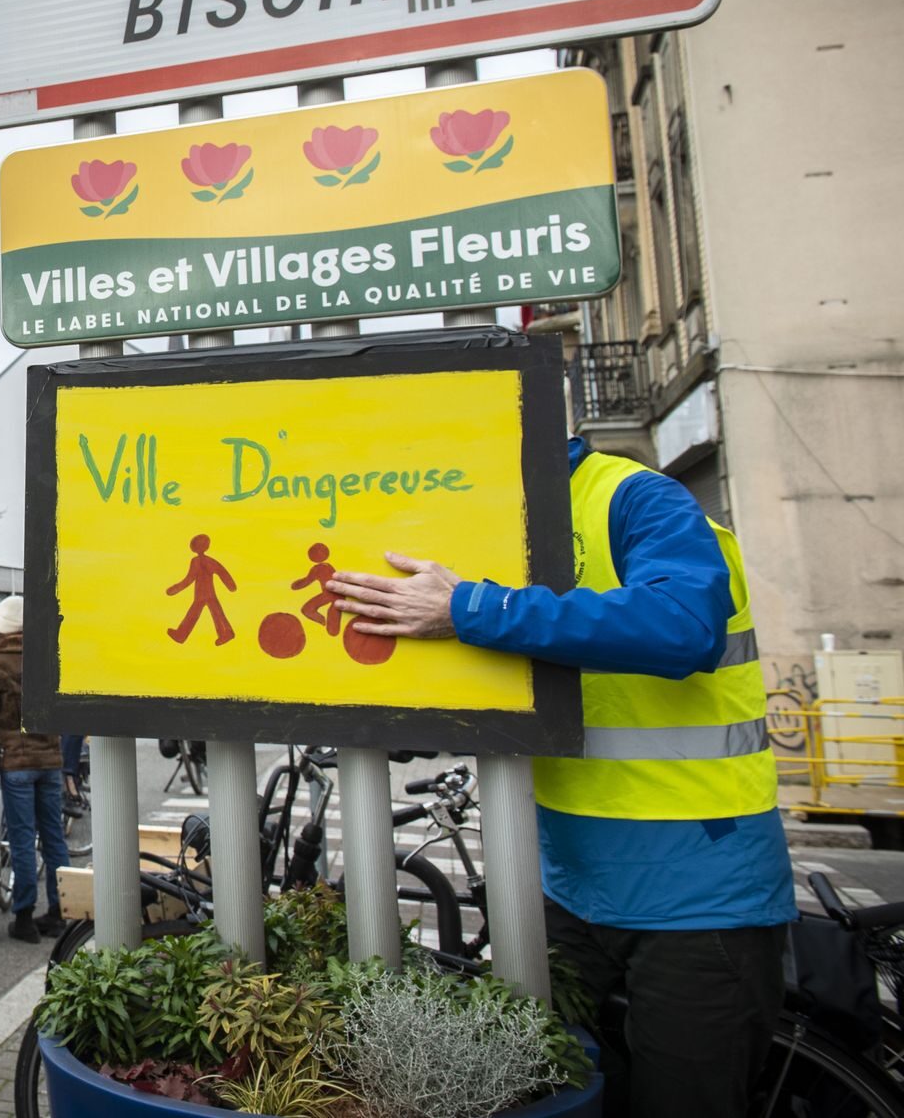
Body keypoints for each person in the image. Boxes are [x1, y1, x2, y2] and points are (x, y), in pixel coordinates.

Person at [328, 434, 789, 1118]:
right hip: (563, 887)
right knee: (552, 1098)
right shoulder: (482, 518)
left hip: (698, 893)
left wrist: (473, 609)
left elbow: (685, 625)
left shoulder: (634, 496)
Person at [0, 595, 66, 943]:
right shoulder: (48, 657)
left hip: (15, 762)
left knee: (23, 839)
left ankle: (24, 916)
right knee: (55, 838)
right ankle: (61, 911)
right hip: (50, 759)